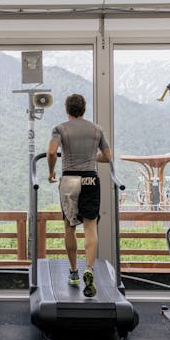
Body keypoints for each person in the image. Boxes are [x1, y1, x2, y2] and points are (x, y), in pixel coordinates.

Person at [47, 94, 112, 298]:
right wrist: (92, 156)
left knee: (70, 227)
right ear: (84, 109)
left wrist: (51, 172)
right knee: (90, 227)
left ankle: (74, 272)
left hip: (69, 180)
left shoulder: (60, 128)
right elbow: (108, 157)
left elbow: (51, 152)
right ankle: (89, 269)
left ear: (67, 109)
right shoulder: (96, 129)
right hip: (90, 179)